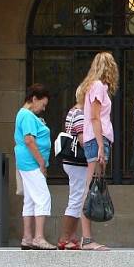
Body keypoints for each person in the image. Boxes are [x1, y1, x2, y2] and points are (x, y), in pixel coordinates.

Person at [79, 51, 119, 251]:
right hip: (97, 139)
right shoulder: (97, 87)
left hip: (97, 138)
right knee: (90, 187)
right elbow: (95, 118)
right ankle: (86, 239)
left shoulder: (95, 86)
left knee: (92, 186)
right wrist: (101, 145)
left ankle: (87, 238)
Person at [14, 84, 55, 250]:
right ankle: (38, 238)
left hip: (26, 162)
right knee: (43, 197)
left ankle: (27, 237)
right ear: (34, 99)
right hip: (31, 163)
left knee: (30, 200)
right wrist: (41, 162)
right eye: (43, 104)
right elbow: (29, 140)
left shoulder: (24, 115)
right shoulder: (27, 116)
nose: (43, 109)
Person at [56, 87, 86, 250]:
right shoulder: (80, 112)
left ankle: (71, 236)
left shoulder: (73, 111)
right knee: (76, 198)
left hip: (71, 161)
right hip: (77, 161)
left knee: (77, 197)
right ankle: (65, 237)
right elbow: (82, 139)